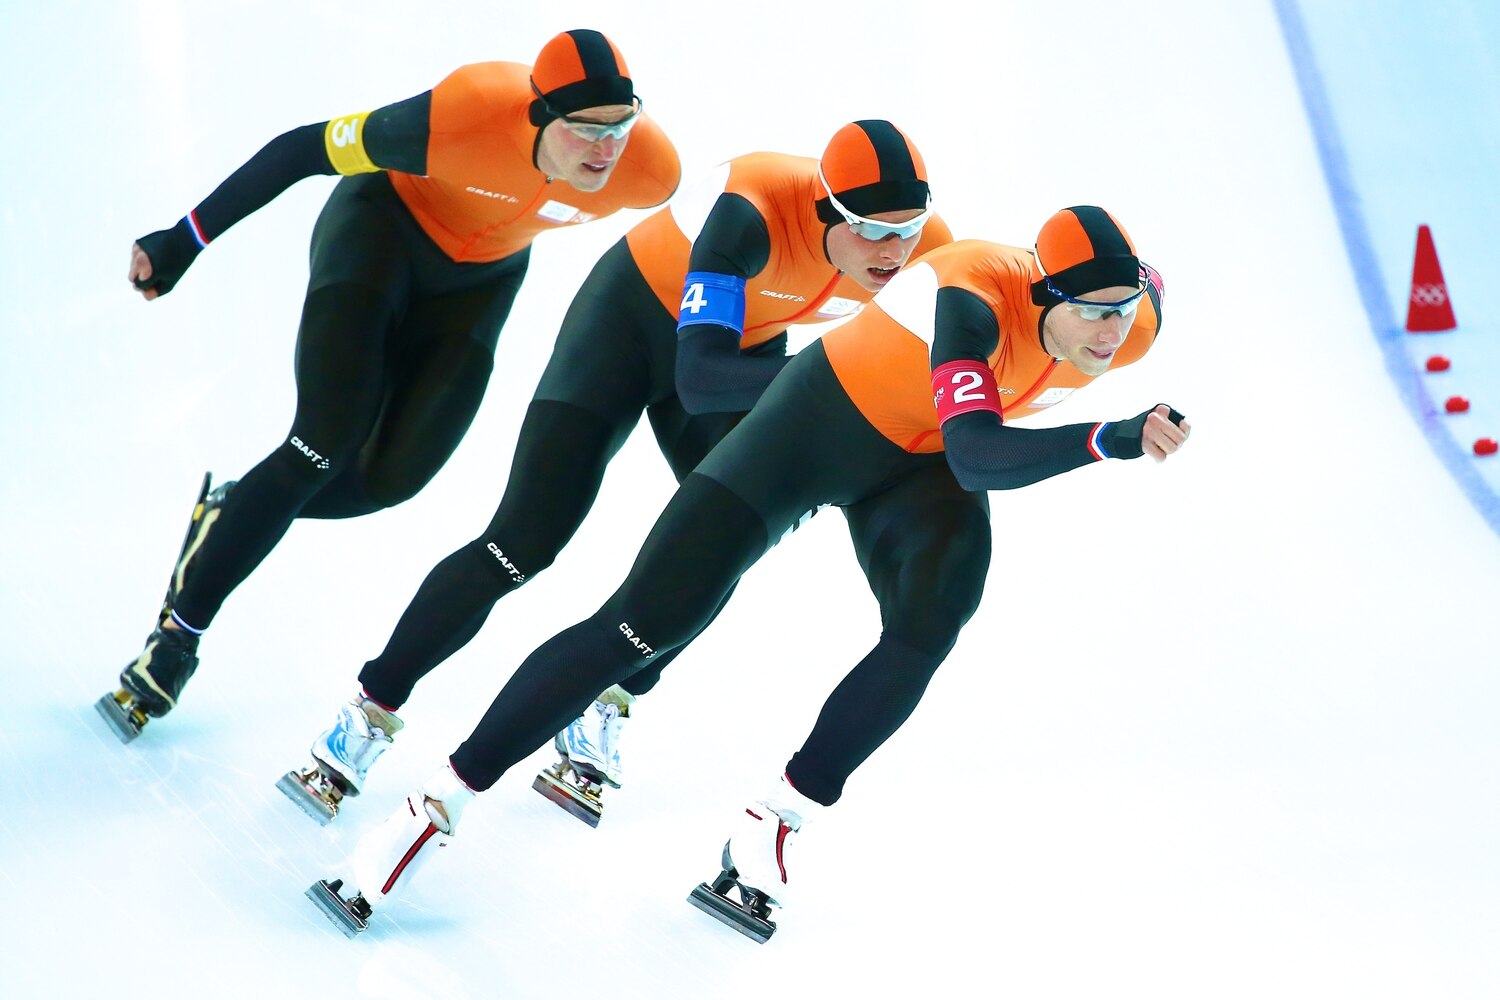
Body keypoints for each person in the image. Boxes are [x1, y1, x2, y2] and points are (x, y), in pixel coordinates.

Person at [305, 205, 1190, 940]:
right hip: (814, 429)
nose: (1112, 335)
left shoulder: (1134, 324)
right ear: (1044, 294)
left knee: (931, 625)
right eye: (1092, 315)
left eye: (1124, 312)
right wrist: (1108, 438)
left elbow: (963, 453)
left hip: (921, 468)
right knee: (638, 629)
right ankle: (433, 806)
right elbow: (982, 450)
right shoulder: (969, 295)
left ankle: (778, 817)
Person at [279, 120, 953, 826]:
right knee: (522, 543)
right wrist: (827, 386)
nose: (893, 251)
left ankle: (609, 701)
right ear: (825, 213)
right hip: (630, 330)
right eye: (874, 231)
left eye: (909, 230)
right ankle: (366, 715)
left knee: (720, 552)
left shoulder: (927, 257)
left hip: (746, 357)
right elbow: (701, 378)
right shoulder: (751, 207)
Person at [94, 30, 682, 744]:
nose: (605, 148)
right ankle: (176, 639)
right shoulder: (462, 113)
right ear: (536, 116)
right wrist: (183, 238)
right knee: (321, 446)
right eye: (585, 130)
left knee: (391, 480)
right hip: (380, 232)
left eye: (619, 126)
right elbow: (302, 149)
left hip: (479, 284)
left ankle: (232, 511)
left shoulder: (649, 171)